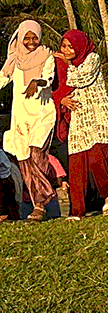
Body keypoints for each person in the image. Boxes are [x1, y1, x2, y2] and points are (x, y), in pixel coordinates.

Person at [56, 29, 108, 218]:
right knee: (76, 165)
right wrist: (60, 99)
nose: (66, 50)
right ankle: (77, 211)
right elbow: (57, 87)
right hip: (78, 118)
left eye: (71, 46)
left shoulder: (92, 58)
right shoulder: (61, 63)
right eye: (64, 46)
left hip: (98, 117)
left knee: (97, 160)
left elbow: (81, 78)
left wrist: (67, 64)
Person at [1, 20, 58, 221]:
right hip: (21, 117)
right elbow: (2, 79)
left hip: (43, 114)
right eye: (27, 38)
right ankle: (39, 206)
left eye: (35, 38)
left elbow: (49, 77)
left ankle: (41, 202)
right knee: (25, 162)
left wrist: (37, 81)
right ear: (20, 38)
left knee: (37, 155)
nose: (31, 42)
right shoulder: (14, 60)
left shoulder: (46, 55)